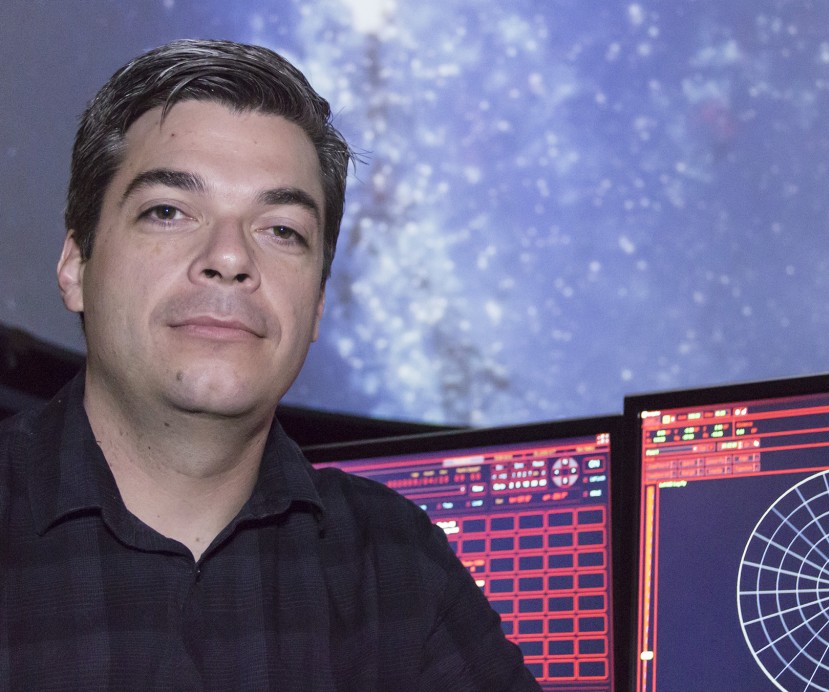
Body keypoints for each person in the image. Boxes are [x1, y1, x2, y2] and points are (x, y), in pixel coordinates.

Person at [0, 39, 539, 690]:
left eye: (281, 229)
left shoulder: (395, 567)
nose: (229, 256)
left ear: (314, 304)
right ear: (76, 265)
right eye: (167, 211)